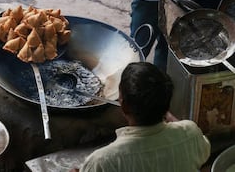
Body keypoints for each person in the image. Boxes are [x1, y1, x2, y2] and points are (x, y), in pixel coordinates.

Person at [76, 62, 210, 172]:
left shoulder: (103, 162)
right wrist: (168, 115)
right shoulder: (191, 133)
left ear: (124, 107)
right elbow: (205, 149)